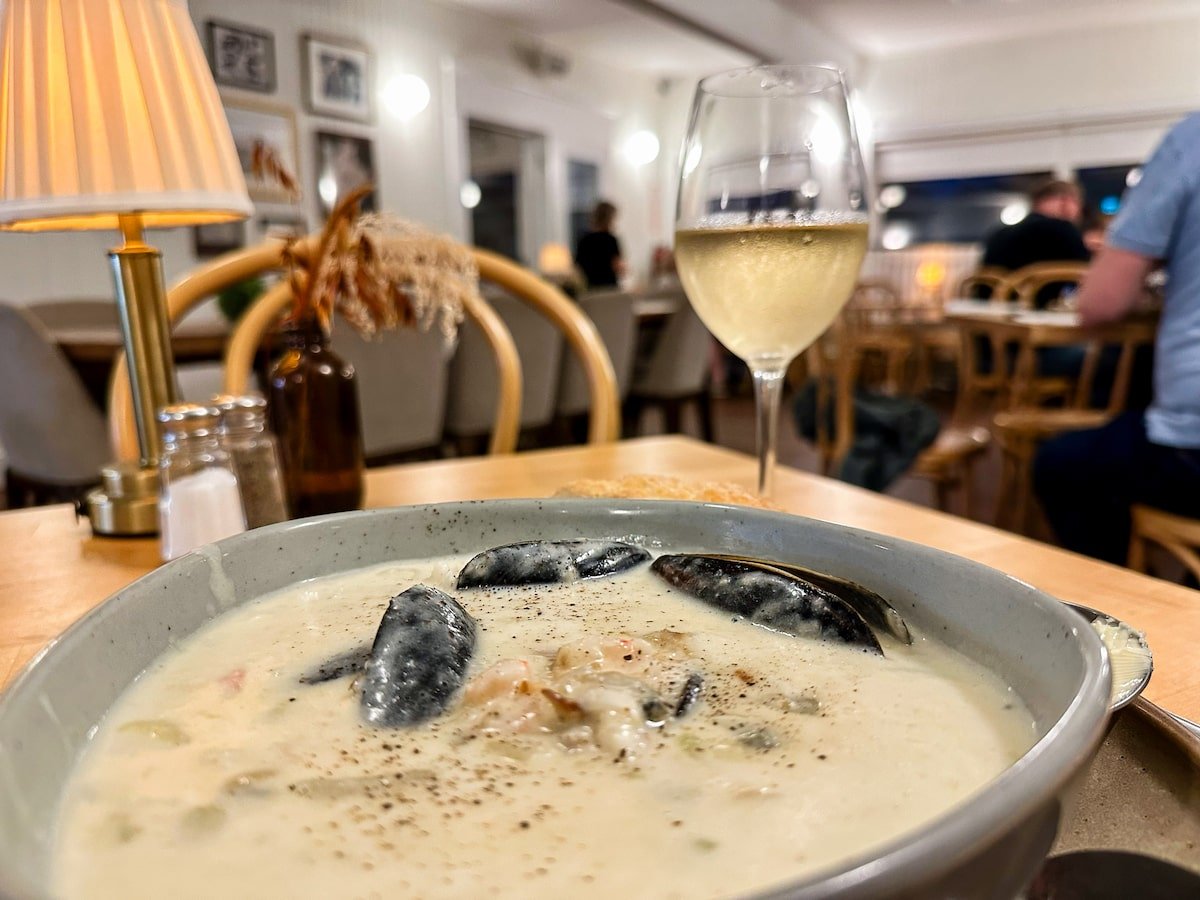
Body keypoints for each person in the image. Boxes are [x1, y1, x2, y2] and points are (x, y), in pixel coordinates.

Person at [1033, 113, 1200, 564]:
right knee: (1118, 374)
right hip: (1040, 358)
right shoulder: (1066, 234)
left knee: (1062, 463)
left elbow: (1097, 303)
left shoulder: (1190, 141)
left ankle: (1119, 613)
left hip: (1015, 360)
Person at [983, 180, 1091, 303]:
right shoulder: (1063, 229)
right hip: (1032, 310)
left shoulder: (1000, 232)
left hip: (987, 307)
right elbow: (1083, 272)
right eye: (1077, 203)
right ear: (1065, 202)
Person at [574, 201, 624, 289]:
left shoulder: (583, 240)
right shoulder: (610, 240)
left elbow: (577, 267)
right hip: (609, 289)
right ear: (609, 219)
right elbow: (618, 267)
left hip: (590, 290)